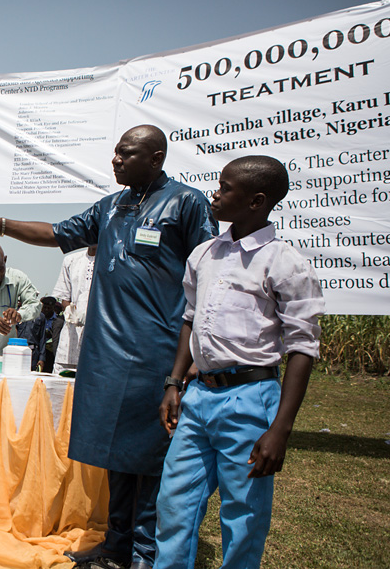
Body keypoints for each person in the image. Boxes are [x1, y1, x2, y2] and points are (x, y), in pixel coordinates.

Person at [0, 124, 217, 569]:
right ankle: (116, 546)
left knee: (151, 453)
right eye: (115, 152)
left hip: (157, 351)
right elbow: (55, 233)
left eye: (126, 154)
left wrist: (193, 356)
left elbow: (208, 277)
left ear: (156, 158)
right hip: (105, 353)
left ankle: (145, 550)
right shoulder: (110, 207)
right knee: (114, 451)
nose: (116, 160)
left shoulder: (187, 203)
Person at [154, 156, 324, 569]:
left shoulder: (284, 262)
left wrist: (280, 429)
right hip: (199, 398)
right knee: (174, 504)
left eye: (226, 187)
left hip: (250, 399)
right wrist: (174, 383)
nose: (216, 194)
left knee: (243, 513)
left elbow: (302, 347)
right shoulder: (204, 254)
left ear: (256, 201)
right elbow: (189, 320)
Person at [52, 246, 96, 373]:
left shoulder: (112, 262)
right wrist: (70, 311)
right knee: (62, 386)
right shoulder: (71, 260)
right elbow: (65, 297)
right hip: (70, 340)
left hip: (97, 339)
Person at [30, 296, 64, 373]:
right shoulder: (37, 317)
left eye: (49, 308)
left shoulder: (58, 321)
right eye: (44, 308)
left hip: (51, 353)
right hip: (38, 351)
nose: (46, 310)